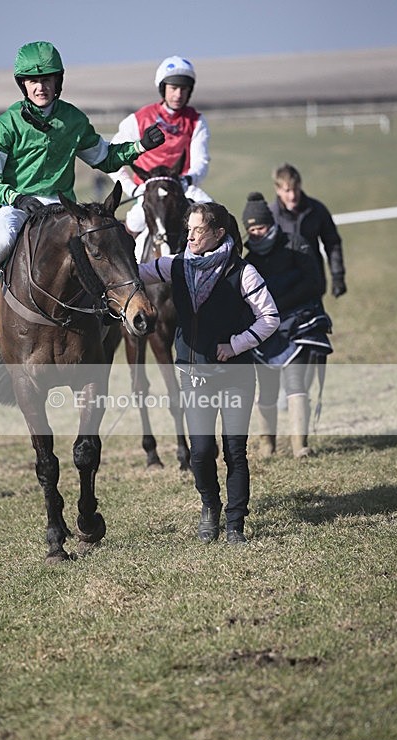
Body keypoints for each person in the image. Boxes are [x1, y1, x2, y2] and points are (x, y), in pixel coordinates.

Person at [0, 40, 165, 337]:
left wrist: (139, 146)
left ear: (57, 82)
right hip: (16, 205)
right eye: (33, 81)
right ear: (23, 85)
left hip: (62, 208)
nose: (40, 87)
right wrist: (17, 198)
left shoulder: (73, 120)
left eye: (46, 80)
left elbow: (105, 158)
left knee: (102, 239)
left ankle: (108, 304)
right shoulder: (2, 127)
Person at [138, 202, 279, 544]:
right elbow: (132, 274)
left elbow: (270, 318)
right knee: (201, 451)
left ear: (218, 233)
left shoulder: (242, 272)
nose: (191, 236)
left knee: (235, 451)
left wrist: (236, 345)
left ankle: (235, 523)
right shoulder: (175, 265)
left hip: (236, 374)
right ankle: (209, 507)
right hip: (193, 371)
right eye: (189, 229)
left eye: (198, 230)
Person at [242, 192, 333, 458]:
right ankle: (267, 445)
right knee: (267, 389)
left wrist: (278, 303)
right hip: (267, 329)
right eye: (251, 229)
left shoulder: (296, 244)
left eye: (259, 226)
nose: (255, 233)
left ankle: (299, 445)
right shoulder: (251, 260)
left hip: (299, 322)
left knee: (295, 383)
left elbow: (313, 283)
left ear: (269, 223)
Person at [109, 55, 212, 239]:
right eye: (173, 88)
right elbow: (112, 157)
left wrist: (187, 180)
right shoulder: (138, 119)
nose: (178, 95)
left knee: (214, 218)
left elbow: (201, 162)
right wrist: (130, 188)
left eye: (184, 89)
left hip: (183, 188)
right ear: (163, 88)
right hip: (148, 191)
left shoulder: (197, 121)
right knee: (134, 223)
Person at [269, 163, 347, 298]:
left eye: (296, 189)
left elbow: (332, 243)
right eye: (287, 191)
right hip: (283, 287)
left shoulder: (317, 210)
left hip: (313, 283)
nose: (293, 196)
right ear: (277, 189)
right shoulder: (270, 216)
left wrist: (337, 276)